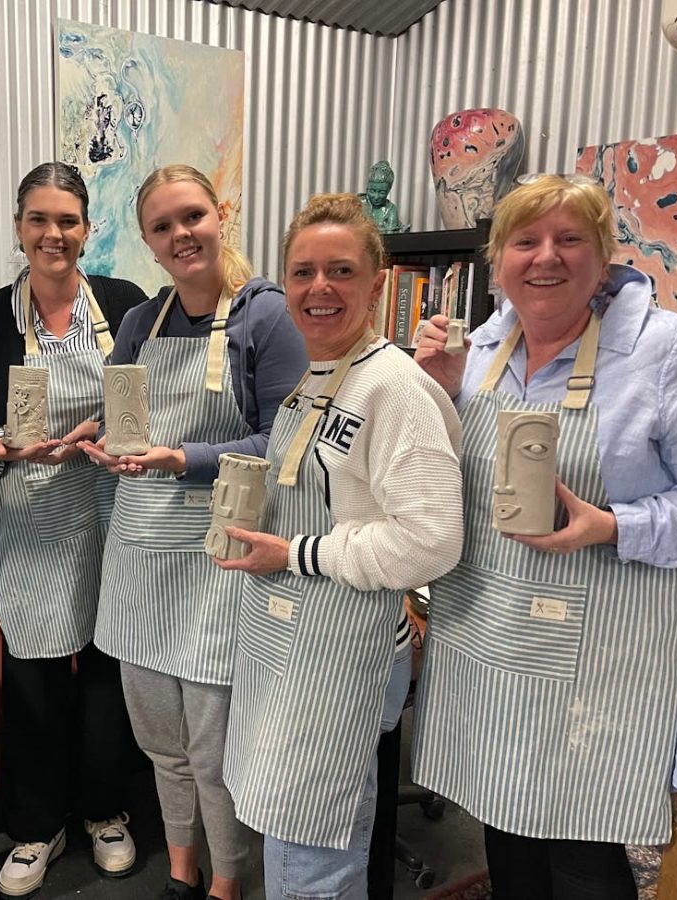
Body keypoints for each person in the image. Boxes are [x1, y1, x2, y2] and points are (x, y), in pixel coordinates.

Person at [411, 175, 677, 899]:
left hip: (601, 659)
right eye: (525, 241)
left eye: (570, 240)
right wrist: (438, 388)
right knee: (504, 823)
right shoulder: (485, 345)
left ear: (604, 256)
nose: (545, 258)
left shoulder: (671, 354)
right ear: (497, 259)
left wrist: (617, 526)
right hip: (493, 642)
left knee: (581, 849)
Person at [214, 193, 463, 900]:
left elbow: (431, 541)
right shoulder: (321, 377)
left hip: (343, 652)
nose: (319, 289)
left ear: (378, 285)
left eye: (341, 271)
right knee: (296, 837)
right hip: (298, 649)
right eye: (302, 272)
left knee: (313, 853)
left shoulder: (394, 390)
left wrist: (294, 555)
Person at [80, 164, 308, 900]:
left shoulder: (265, 316)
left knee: (213, 750)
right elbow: (123, 424)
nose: (181, 235)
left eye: (192, 217)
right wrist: (92, 437)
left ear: (221, 217)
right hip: (141, 559)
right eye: (162, 226)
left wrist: (185, 458)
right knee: (163, 745)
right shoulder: (141, 325)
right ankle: (182, 867)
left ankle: (229, 881)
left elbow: (287, 443)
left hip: (221, 561)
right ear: (148, 243)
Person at [0, 162, 147, 897]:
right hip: (30, 510)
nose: (54, 234)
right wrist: (1, 447)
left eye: (67, 220)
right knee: (32, 668)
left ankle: (104, 810)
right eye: (39, 219)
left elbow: (146, 393)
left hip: (108, 503)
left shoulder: (126, 306)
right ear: (19, 228)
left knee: (107, 664)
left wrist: (120, 429)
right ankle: (36, 827)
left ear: (87, 230)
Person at [357, 161, 403, 234]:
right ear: (367, 187)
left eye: (382, 192)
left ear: (388, 191)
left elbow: (392, 237)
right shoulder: (358, 203)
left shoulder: (391, 210)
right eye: (372, 191)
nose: (376, 196)